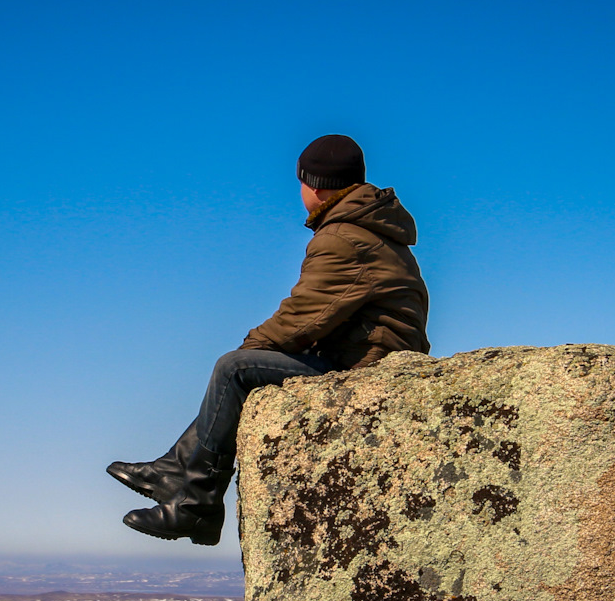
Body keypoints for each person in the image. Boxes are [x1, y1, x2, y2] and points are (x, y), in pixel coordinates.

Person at [109, 134, 429, 545]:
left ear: (312, 186)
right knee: (240, 369)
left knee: (234, 368)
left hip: (366, 368)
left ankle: (197, 506)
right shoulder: (369, 230)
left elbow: (299, 319)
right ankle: (174, 469)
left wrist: (251, 346)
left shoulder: (343, 238)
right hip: (365, 355)